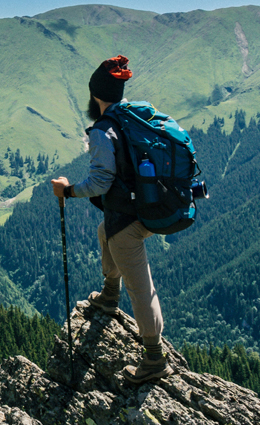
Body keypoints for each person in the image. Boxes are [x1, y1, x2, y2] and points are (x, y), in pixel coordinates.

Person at [51, 55, 171, 383]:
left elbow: (101, 182)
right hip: (152, 205)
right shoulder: (133, 114)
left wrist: (67, 190)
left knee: (141, 287)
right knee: (106, 231)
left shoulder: (104, 130)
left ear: (95, 96)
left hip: (129, 219)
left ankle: (154, 358)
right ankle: (108, 295)